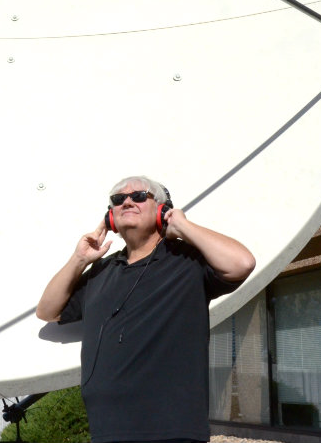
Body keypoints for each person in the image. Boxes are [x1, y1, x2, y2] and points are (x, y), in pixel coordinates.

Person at [36, 175, 256, 443]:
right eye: (119, 200)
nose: (127, 201)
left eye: (139, 196)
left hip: (171, 431)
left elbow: (242, 263)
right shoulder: (102, 270)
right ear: (111, 217)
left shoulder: (187, 260)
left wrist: (182, 225)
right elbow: (47, 310)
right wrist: (79, 259)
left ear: (162, 210)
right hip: (107, 429)